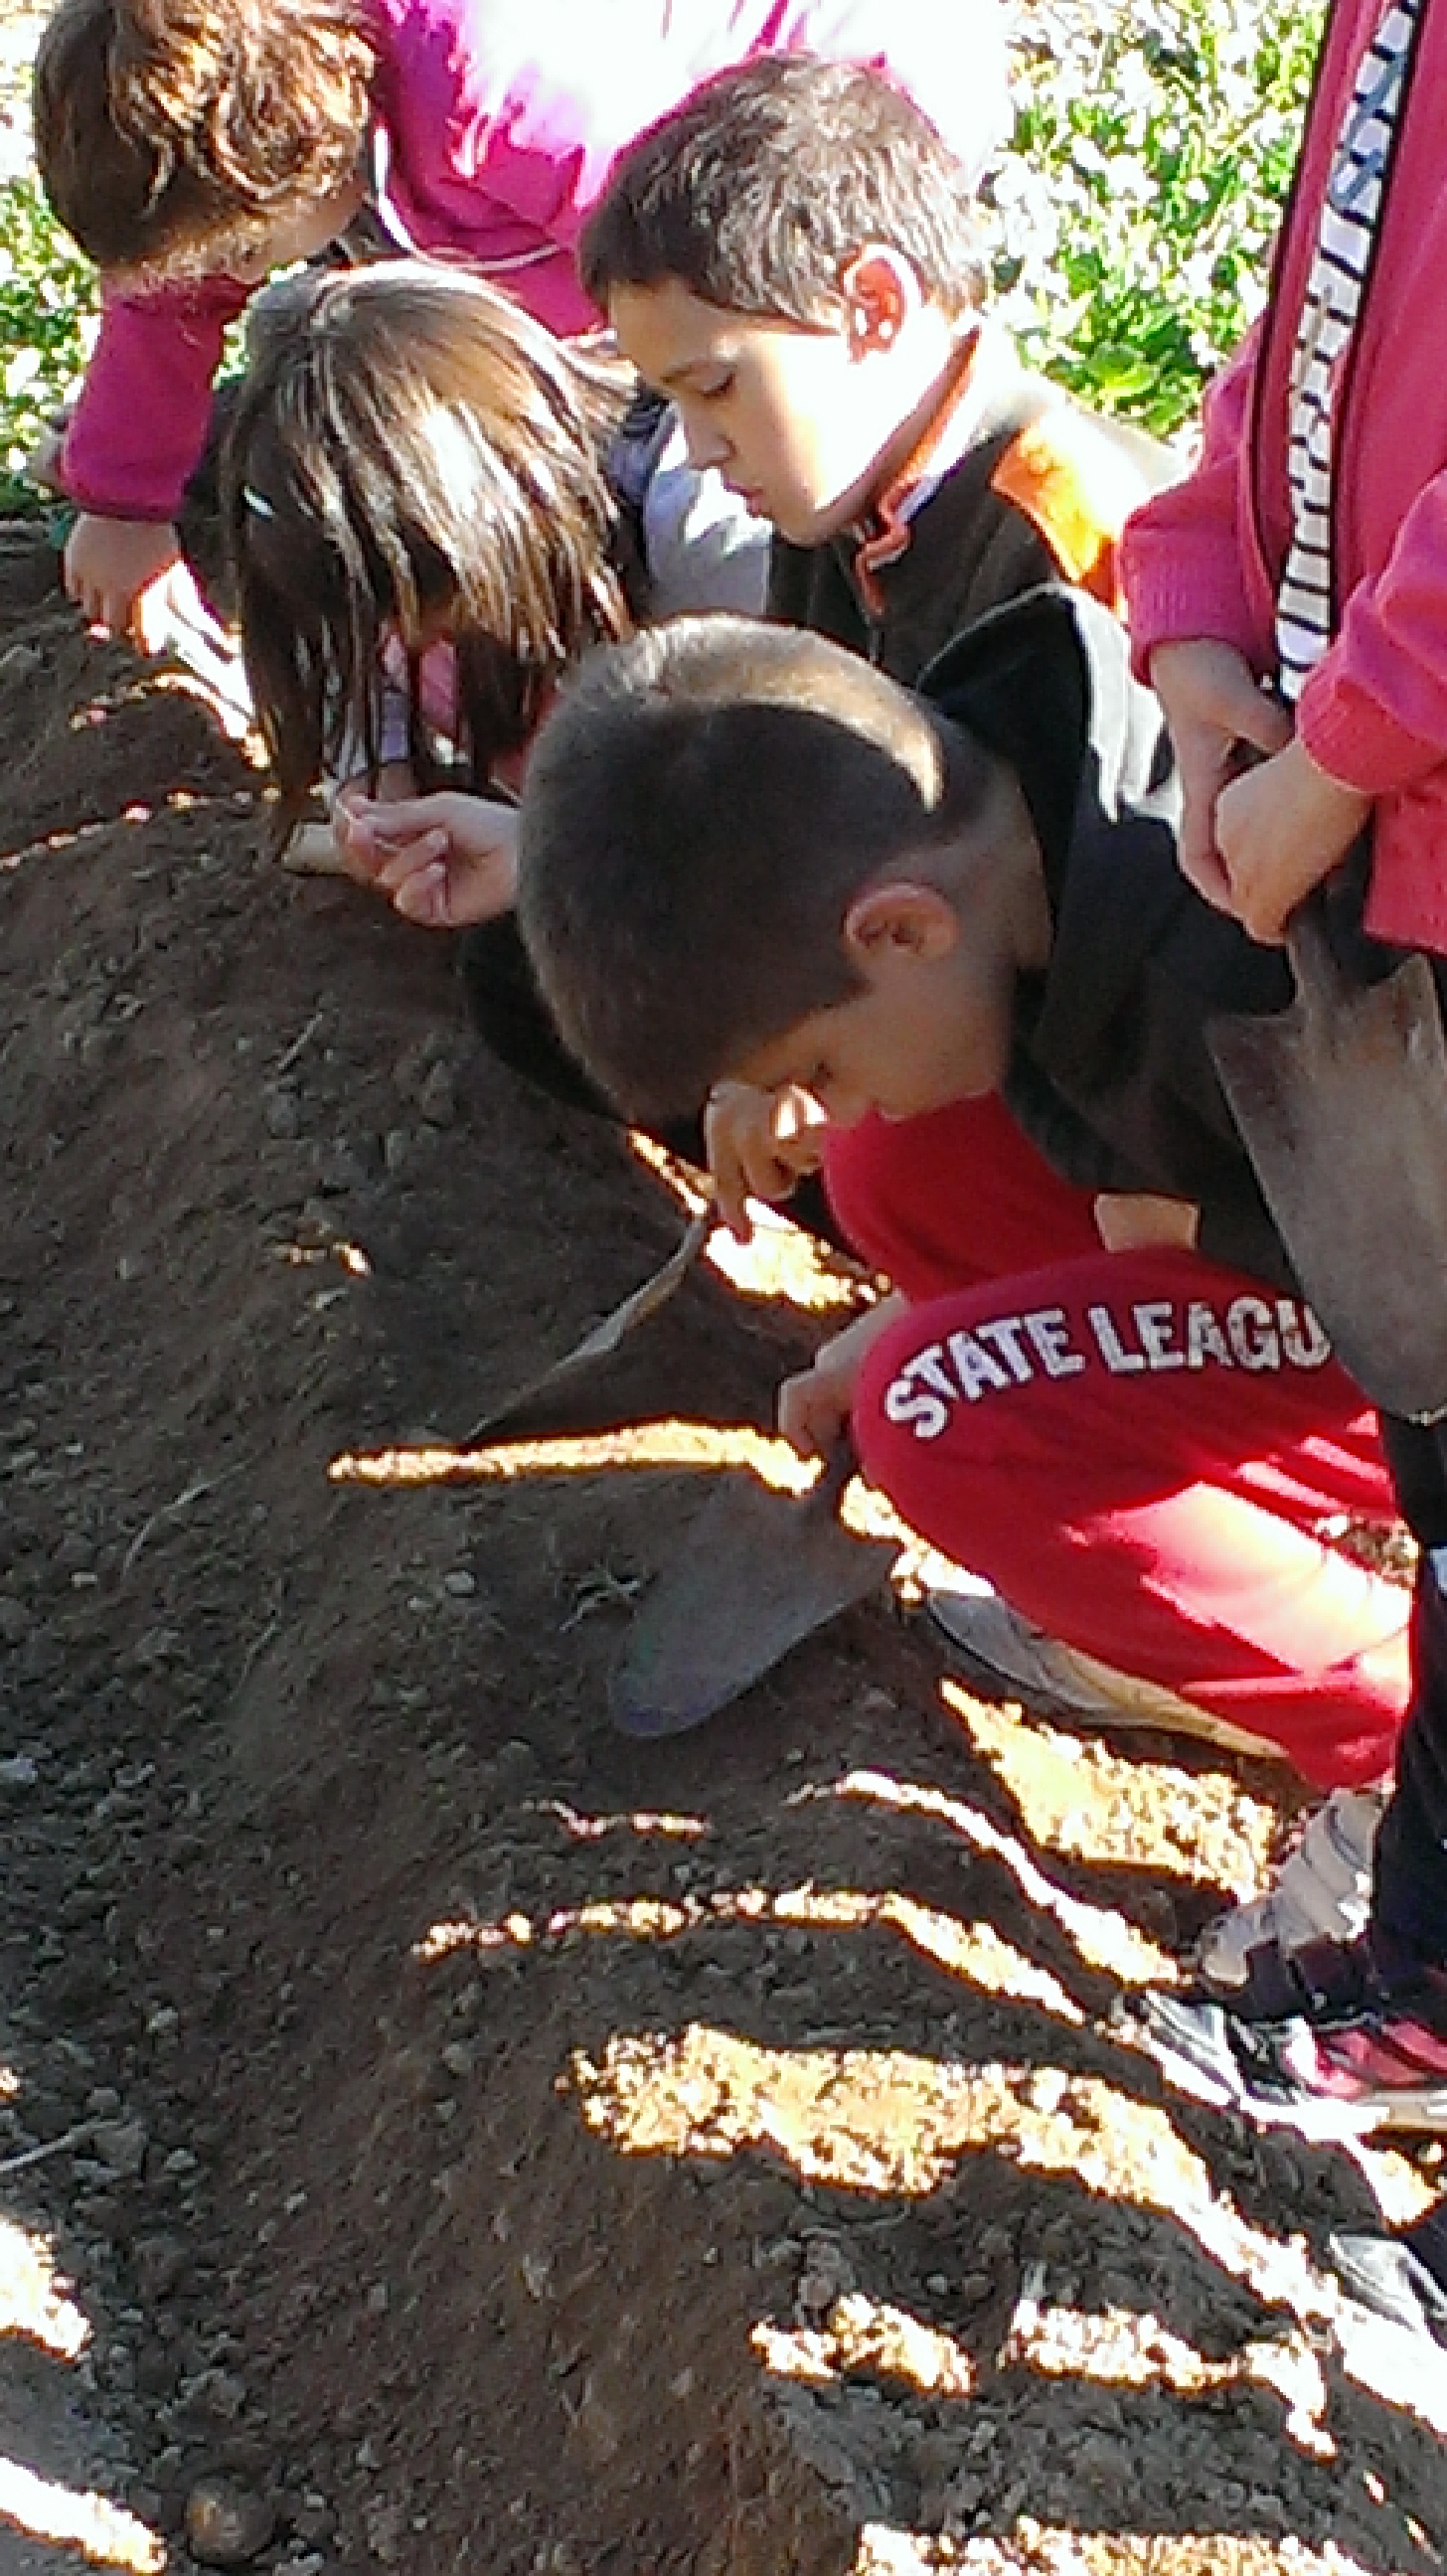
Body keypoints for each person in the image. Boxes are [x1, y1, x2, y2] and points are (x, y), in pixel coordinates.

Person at [507, 597, 1412, 1800]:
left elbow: (1412, 1266)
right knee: (894, 1169)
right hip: (1318, 1225)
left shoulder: (1225, 952)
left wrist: (1183, 1244)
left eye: (815, 1068)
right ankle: (1149, 1563)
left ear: (898, 929)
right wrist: (931, 1310)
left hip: (1411, 1302)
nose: (823, 1107)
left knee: (932, 1409)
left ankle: (1394, 1731)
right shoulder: (1020, 799)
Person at [1098, 0, 1447, 2138]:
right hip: (1382, 842)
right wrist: (1200, 620)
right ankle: (1424, 1971)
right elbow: (1312, 342)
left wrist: (1333, 751)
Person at [30, 0, 1011, 647]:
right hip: (590, 242)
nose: (226, 281)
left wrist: (653, 424)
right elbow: (172, 288)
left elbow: (688, 274)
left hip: (801, 180)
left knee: (710, 535)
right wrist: (122, 501)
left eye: (242, 253)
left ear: (295, 155)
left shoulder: (499, 84)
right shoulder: (263, 111)